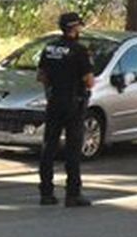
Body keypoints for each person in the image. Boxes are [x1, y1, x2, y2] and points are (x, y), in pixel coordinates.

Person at [37, 11, 95, 207]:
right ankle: (73, 194)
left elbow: (42, 76)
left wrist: (53, 87)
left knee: (48, 147)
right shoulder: (79, 50)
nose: (80, 29)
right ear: (74, 28)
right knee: (72, 149)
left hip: (54, 101)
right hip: (73, 103)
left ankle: (46, 192)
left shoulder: (49, 48)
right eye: (79, 26)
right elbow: (89, 81)